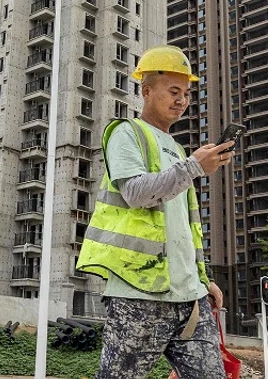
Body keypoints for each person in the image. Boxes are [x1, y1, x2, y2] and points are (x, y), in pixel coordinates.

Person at [76, 45, 235, 379]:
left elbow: (185, 228)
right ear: (146, 91)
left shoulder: (177, 149)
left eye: (186, 93)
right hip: (139, 295)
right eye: (173, 91)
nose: (181, 100)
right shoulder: (126, 133)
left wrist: (203, 280)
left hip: (190, 299)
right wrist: (193, 166)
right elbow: (135, 193)